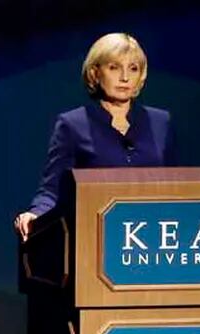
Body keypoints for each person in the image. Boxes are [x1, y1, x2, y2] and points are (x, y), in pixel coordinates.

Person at [13, 33, 174, 241]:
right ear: (95, 73)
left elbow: (176, 186)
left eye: (133, 68)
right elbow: (53, 190)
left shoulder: (160, 122)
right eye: (114, 67)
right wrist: (35, 214)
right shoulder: (73, 124)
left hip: (154, 237)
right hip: (97, 236)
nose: (125, 77)